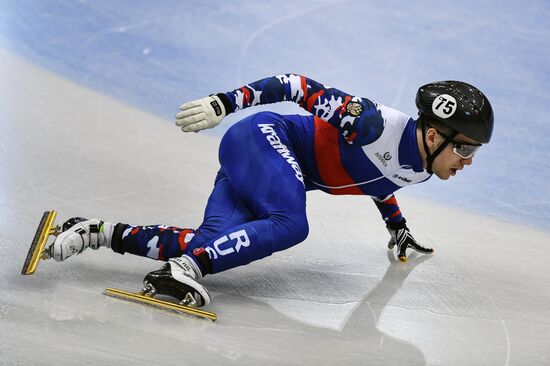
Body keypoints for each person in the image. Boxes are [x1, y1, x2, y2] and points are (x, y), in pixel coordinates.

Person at [47, 74, 494, 307]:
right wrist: (224, 102)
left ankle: (95, 231)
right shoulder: (371, 123)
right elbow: (295, 86)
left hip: (267, 168)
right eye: (465, 148)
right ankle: (182, 269)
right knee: (290, 224)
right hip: (263, 139)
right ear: (434, 135)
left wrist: (396, 227)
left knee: (212, 245)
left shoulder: (424, 168)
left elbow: (382, 180)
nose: (468, 161)